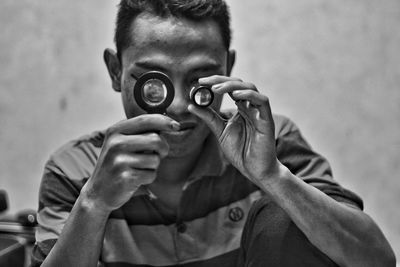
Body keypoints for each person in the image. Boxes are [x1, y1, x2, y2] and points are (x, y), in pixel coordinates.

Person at [30, 0, 396, 266]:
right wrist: (94, 203)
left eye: (197, 81)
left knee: (282, 213)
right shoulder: (76, 170)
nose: (175, 107)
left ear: (227, 68)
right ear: (115, 71)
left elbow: (377, 260)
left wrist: (273, 178)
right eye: (152, 84)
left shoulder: (267, 142)